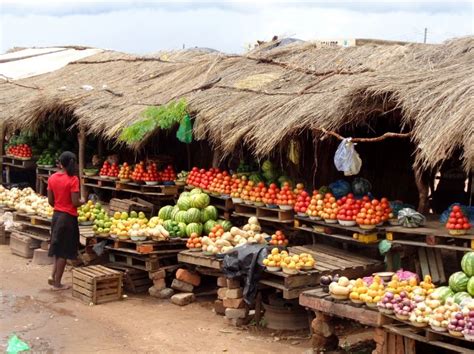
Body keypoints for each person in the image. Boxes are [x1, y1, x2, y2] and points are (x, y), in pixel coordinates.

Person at [47, 151, 84, 290]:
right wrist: (83, 201)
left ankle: (53, 276)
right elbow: (75, 202)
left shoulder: (52, 178)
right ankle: (57, 284)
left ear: (60, 163)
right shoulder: (73, 179)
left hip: (56, 216)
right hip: (68, 218)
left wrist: (59, 206)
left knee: (57, 247)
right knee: (64, 251)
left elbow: (50, 201)